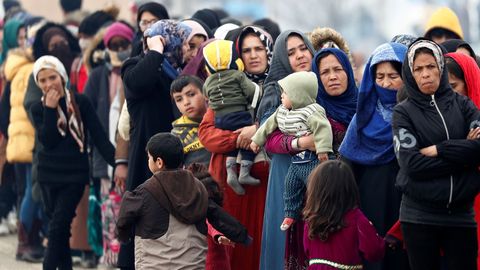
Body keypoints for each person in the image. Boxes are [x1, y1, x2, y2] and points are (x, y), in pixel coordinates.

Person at [392, 38, 480, 270]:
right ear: (410, 73)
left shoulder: (463, 105)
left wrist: (441, 149)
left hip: (461, 215)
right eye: (418, 69)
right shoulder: (403, 113)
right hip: (420, 216)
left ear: (441, 67)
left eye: (431, 66)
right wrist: (464, 156)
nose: (426, 74)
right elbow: (411, 164)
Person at [29, 55, 115, 270]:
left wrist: (119, 163)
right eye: (42, 80)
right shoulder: (37, 108)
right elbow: (48, 141)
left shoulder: (80, 102)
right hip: (48, 175)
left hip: (74, 175)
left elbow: (99, 136)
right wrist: (50, 110)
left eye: (52, 77)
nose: (48, 84)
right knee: (61, 230)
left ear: (63, 77)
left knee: (58, 227)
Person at [118, 19, 191, 269]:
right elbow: (139, 82)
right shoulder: (134, 66)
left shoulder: (183, 74)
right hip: (147, 161)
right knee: (144, 222)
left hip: (179, 160)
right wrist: (156, 52)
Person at [339, 42, 409, 270]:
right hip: (368, 210)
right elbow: (346, 170)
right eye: (380, 77)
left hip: (407, 209)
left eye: (393, 76)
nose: (386, 84)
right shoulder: (361, 120)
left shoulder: (415, 117)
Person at [254, 29, 315, 270]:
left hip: (322, 173)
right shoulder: (276, 90)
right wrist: (298, 143)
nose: (300, 55)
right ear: (281, 58)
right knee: (285, 237)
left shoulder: (322, 81)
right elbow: (269, 136)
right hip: (286, 170)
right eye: (291, 53)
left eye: (303, 48)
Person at [251, 71, 333, 230]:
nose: (281, 96)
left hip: (312, 161)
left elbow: (323, 129)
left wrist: (323, 150)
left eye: (286, 93)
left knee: (315, 188)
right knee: (289, 186)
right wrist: (256, 140)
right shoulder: (281, 111)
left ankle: (320, 213)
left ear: (299, 95)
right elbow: (268, 125)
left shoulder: (312, 112)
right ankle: (290, 214)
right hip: (296, 162)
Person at [116, 133, 209, 269]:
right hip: (192, 264)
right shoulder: (199, 188)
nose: (148, 161)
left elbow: (124, 217)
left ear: (159, 162)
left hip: (154, 264)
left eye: (149, 158)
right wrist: (240, 234)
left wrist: (123, 235)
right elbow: (215, 212)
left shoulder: (144, 192)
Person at [203, 39, 262, 195]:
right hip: (239, 116)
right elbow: (205, 135)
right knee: (248, 143)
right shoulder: (238, 75)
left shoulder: (209, 81)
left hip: (221, 118)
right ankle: (244, 172)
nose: (253, 56)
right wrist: (240, 137)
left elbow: (206, 95)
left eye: (259, 49)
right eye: (246, 51)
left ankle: (231, 172)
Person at [303, 160, 385, 269]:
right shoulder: (356, 218)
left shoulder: (311, 219)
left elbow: (307, 250)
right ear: (349, 187)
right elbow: (374, 251)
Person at [170, 75, 210, 166]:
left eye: (191, 94)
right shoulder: (176, 136)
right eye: (179, 99)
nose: (186, 102)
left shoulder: (222, 119)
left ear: (205, 94)